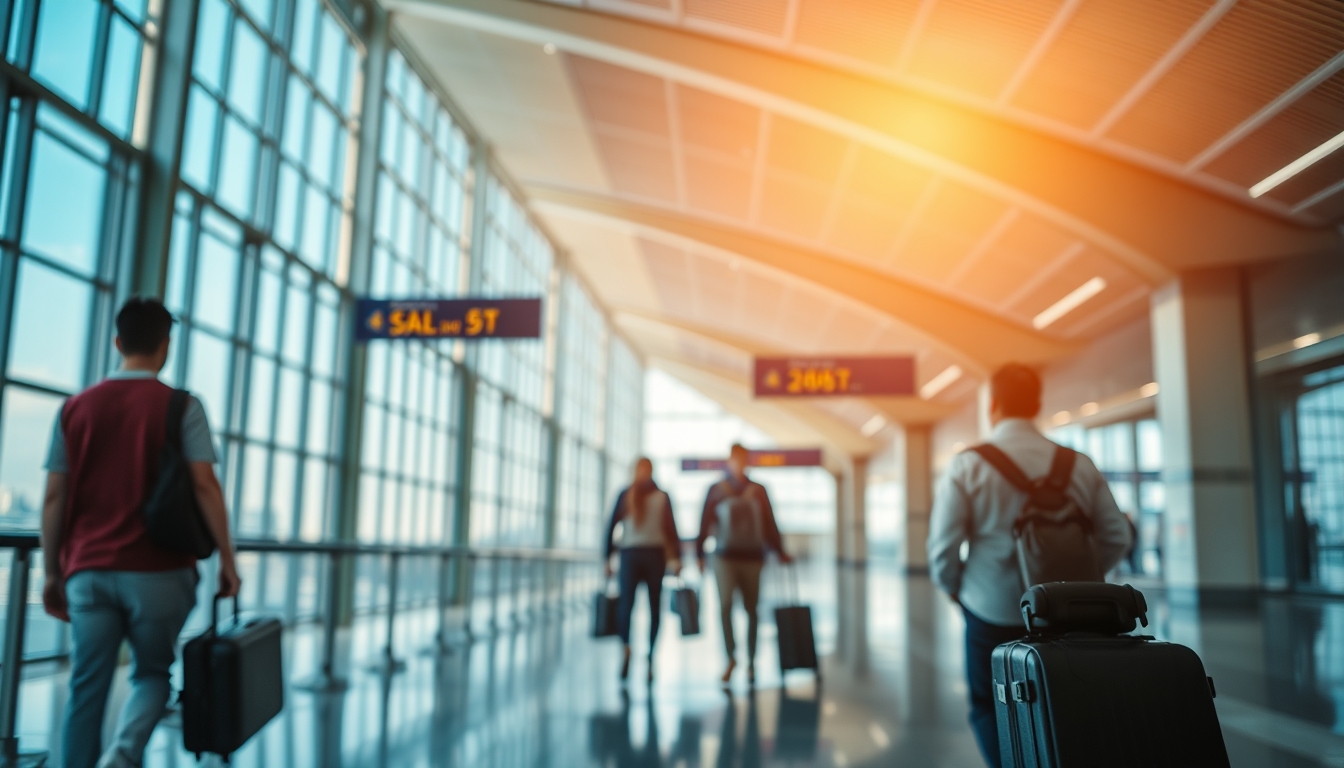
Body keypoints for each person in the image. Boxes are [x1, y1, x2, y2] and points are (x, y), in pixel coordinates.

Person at [39, 298, 241, 768]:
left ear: (117, 342)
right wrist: (227, 562)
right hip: (159, 571)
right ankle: (123, 757)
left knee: (86, 686)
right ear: (165, 346)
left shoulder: (75, 409)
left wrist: (53, 573)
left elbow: (54, 499)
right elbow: (205, 486)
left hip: (87, 570)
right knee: (153, 675)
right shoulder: (182, 406)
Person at [926, 364, 1131, 768]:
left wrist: (957, 591)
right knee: (1066, 702)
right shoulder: (1078, 464)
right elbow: (1117, 536)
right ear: (1037, 404)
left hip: (992, 609)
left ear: (994, 405)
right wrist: (1081, 585)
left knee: (989, 705)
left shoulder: (968, 465)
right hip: (1070, 614)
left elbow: (943, 550)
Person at [696, 444, 791, 685]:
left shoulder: (758, 490)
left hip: (752, 557)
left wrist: (779, 550)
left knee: (752, 609)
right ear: (729, 462)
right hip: (724, 557)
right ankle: (731, 657)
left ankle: (750, 661)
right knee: (725, 605)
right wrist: (699, 554)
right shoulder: (716, 490)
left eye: (742, 460)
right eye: (735, 460)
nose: (739, 464)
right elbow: (705, 521)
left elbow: (770, 523)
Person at [604, 457, 681, 682]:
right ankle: (626, 648)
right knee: (625, 606)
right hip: (629, 555)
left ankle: (650, 654)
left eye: (646, 470)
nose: (643, 474)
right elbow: (611, 527)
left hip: (655, 556)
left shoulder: (662, 497)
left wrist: (676, 559)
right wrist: (607, 558)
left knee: (655, 607)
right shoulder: (625, 495)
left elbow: (670, 530)